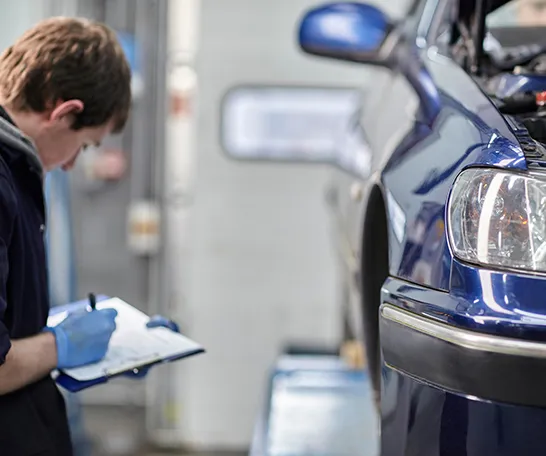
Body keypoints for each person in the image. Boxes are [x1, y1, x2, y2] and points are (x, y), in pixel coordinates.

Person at [0, 17, 174, 455]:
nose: (75, 163)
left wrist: (112, 346)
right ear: (64, 112)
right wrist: (61, 347)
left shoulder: (15, 168)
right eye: (86, 143)